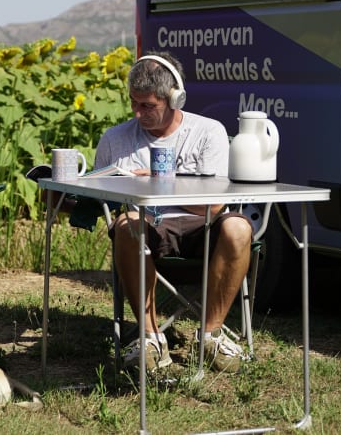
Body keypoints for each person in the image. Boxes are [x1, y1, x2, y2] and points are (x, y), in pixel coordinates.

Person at [94, 51, 253, 372]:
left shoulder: (208, 132)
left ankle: (211, 336)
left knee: (239, 228)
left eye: (148, 106)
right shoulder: (115, 138)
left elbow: (213, 205)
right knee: (127, 224)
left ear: (175, 99)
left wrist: (156, 182)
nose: (138, 114)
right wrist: (65, 198)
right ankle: (151, 338)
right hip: (147, 226)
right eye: (133, 103)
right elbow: (103, 202)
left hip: (202, 225)